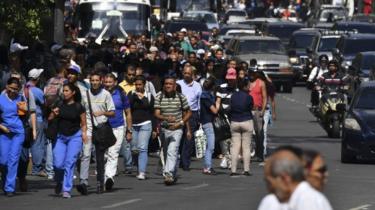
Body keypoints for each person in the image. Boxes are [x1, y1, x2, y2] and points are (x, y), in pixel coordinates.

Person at [77, 71, 115, 195]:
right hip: (88, 128)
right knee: (86, 155)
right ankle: (83, 182)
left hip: (101, 129)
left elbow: (112, 112)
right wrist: (82, 127)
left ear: (101, 81)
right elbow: (81, 111)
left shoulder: (106, 94)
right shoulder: (85, 94)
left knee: (99, 157)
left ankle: (100, 183)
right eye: (92, 80)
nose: (94, 83)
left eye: (96, 80)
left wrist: (102, 113)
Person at [259, 148, 333, 210]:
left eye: (269, 183)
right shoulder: (271, 201)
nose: (269, 189)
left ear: (285, 179)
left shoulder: (309, 201)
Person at [49, 83, 87, 198]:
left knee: (70, 163)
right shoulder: (58, 104)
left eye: (66, 91)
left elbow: (84, 123)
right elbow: (49, 119)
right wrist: (53, 113)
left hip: (75, 137)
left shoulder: (79, 106)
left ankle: (66, 189)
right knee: (58, 164)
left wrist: (84, 134)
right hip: (60, 137)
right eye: (63, 91)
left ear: (73, 92)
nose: (64, 93)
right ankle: (59, 181)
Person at [154, 76, 192, 185]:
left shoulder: (181, 97)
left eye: (170, 84)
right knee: (166, 153)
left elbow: (188, 112)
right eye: (166, 83)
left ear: (175, 86)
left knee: (172, 151)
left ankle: (168, 174)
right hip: (164, 129)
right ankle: (172, 173)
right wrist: (166, 118)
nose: (168, 86)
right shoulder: (159, 97)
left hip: (177, 129)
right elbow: (156, 113)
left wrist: (180, 123)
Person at [103, 73, 132, 190]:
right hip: (102, 128)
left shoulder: (121, 94)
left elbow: (128, 113)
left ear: (115, 82)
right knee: (104, 154)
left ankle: (109, 178)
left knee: (113, 153)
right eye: (106, 82)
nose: (108, 84)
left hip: (118, 127)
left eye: (110, 82)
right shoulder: (99, 94)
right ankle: (104, 176)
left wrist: (129, 130)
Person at [0, 77, 26, 197]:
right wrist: (2, 127)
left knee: (13, 160)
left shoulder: (21, 97)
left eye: (16, 89)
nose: (14, 91)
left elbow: (25, 113)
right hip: (4, 132)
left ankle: (10, 188)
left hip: (18, 132)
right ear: (7, 86)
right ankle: (5, 183)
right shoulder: (0, 99)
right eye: (11, 88)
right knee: (4, 161)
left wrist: (25, 110)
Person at [128, 75, 156, 180]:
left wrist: (154, 128)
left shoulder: (149, 96)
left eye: (140, 84)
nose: (138, 86)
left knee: (143, 148)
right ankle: (138, 166)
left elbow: (152, 111)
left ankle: (142, 172)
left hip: (146, 123)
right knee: (134, 149)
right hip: (133, 125)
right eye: (136, 84)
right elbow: (128, 108)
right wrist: (134, 96)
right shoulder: (131, 94)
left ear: (144, 85)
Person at [177, 66, 202, 171]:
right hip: (179, 113)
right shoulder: (178, 84)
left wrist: (199, 117)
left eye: (188, 73)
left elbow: (199, 101)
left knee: (189, 138)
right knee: (180, 137)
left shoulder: (197, 86)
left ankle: (185, 163)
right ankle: (181, 160)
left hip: (192, 113)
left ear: (192, 74)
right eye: (185, 73)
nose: (186, 75)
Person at [229, 79, 254, 176]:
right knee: (246, 147)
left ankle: (233, 170)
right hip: (246, 120)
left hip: (235, 121)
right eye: (248, 85)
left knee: (235, 147)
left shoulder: (233, 96)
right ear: (245, 86)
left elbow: (230, 107)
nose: (249, 87)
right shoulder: (249, 97)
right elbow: (250, 107)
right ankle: (246, 170)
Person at [216, 68, 237, 169]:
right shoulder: (221, 87)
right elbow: (218, 101)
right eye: (229, 79)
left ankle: (232, 159)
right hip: (223, 116)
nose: (230, 80)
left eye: (232, 79)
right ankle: (225, 157)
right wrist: (218, 112)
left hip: (235, 117)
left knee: (233, 139)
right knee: (223, 138)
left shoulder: (238, 88)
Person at [199, 77, 220, 175]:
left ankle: (208, 166)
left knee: (210, 145)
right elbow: (214, 110)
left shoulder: (206, 95)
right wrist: (218, 103)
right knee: (211, 146)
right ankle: (207, 167)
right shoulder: (206, 97)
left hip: (207, 121)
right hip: (207, 122)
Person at [248, 69, 267, 162]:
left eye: (253, 74)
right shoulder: (246, 82)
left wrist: (263, 110)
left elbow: (265, 97)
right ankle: (249, 154)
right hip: (247, 111)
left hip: (257, 110)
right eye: (250, 73)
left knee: (259, 133)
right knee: (248, 134)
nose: (251, 75)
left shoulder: (261, 83)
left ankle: (260, 154)